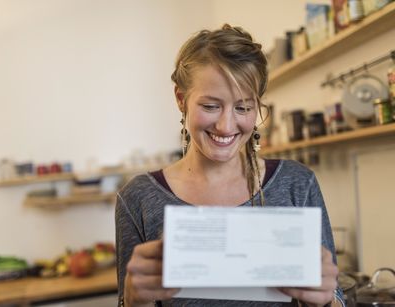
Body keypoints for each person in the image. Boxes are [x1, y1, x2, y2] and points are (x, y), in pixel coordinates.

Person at [115, 24, 345, 307]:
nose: (226, 126)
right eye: (210, 106)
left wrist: (323, 300)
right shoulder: (137, 198)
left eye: (243, 108)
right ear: (180, 99)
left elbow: (334, 299)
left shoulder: (298, 183)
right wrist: (133, 300)